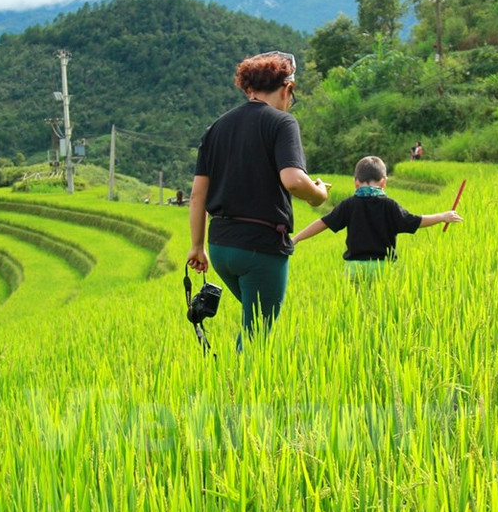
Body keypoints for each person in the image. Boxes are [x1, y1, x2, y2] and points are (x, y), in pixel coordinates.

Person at [187, 50, 329, 347]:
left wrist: (197, 246)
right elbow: (292, 179)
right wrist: (318, 194)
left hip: (221, 245)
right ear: (287, 87)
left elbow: (198, 194)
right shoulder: (282, 123)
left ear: (249, 87)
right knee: (256, 336)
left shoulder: (216, 128)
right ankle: (241, 390)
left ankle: (249, 379)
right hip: (260, 246)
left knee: (255, 318)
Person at [292, 156, 462, 279]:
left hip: (354, 269)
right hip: (383, 269)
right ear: (384, 182)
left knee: (357, 316)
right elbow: (415, 221)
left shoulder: (350, 204)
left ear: (356, 182)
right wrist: (442, 216)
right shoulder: (389, 205)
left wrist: (297, 238)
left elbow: (323, 223)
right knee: (381, 315)